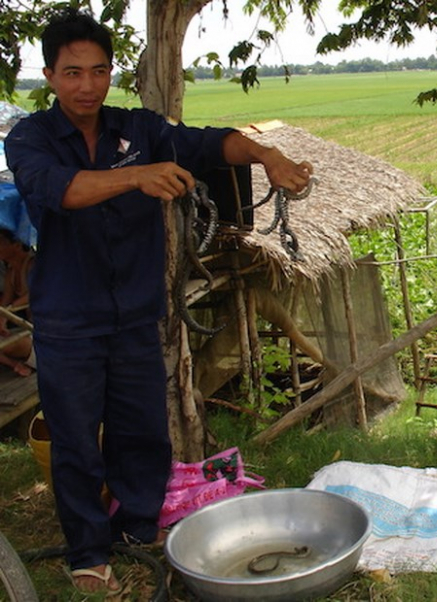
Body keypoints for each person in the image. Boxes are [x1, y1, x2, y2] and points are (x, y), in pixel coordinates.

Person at [6, 8, 313, 595]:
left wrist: (266, 156)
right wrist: (136, 177)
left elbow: (211, 143)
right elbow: (61, 190)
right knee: (75, 438)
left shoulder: (139, 128)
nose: (87, 85)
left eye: (98, 71)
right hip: (69, 317)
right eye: (72, 73)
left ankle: (137, 528)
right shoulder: (31, 138)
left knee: (142, 430)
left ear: (109, 72)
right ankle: (88, 552)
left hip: (136, 311)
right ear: (49, 76)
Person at [0, 227, 34, 376]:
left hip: (44, 334)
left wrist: (10, 308)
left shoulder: (34, 264)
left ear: (17, 245)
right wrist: (2, 320)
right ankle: (14, 364)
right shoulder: (10, 273)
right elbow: (5, 303)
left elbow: (36, 294)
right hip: (26, 331)